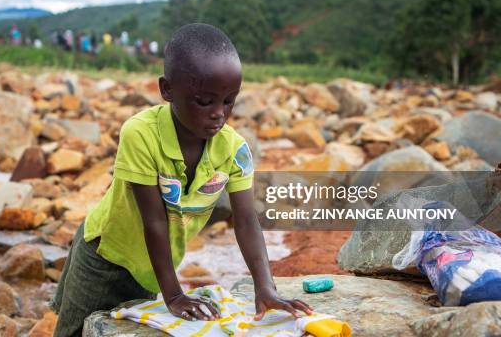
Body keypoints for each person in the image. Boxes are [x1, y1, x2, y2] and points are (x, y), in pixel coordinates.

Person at [51, 23, 312, 337]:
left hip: (152, 268)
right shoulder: (141, 133)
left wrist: (265, 287)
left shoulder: (234, 150)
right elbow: (155, 221)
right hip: (105, 256)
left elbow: (245, 220)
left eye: (229, 101)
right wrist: (173, 295)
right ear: (167, 90)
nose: (219, 113)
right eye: (205, 101)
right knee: (75, 331)